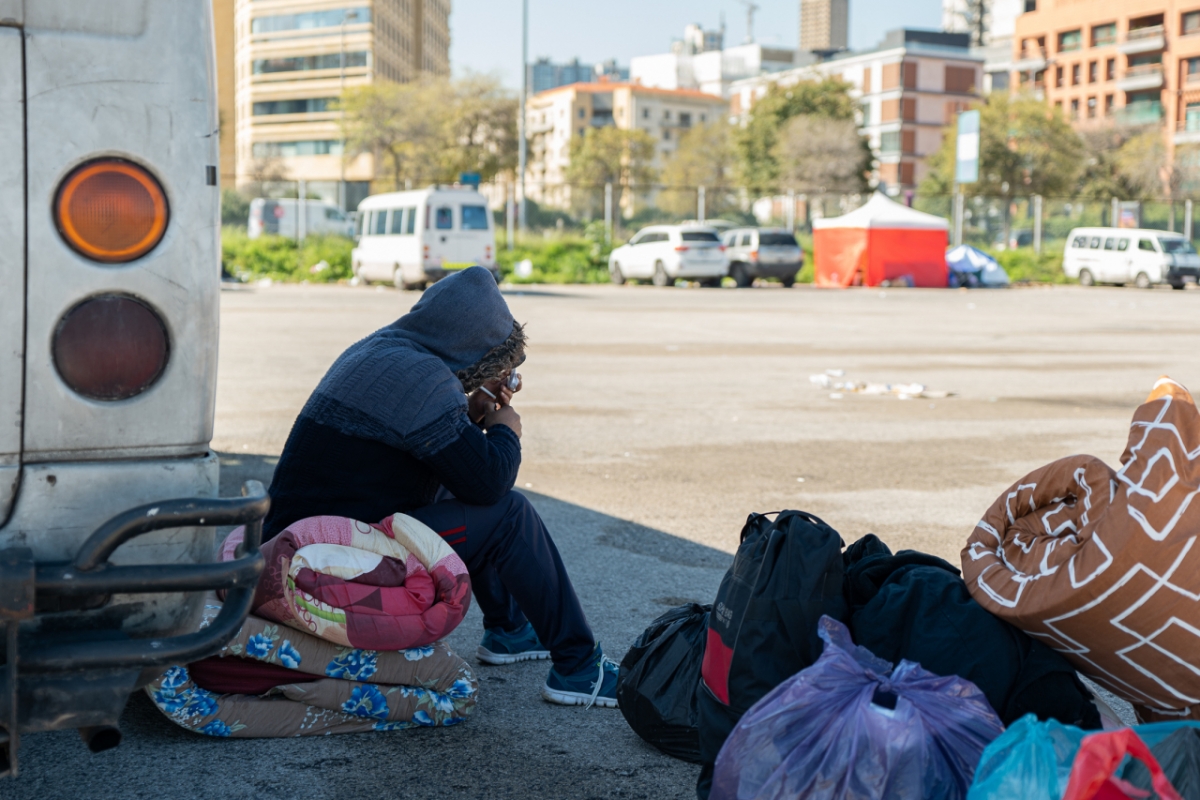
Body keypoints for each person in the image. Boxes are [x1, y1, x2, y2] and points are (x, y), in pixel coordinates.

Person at [262, 266, 618, 708]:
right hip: (321, 563)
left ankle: (509, 631)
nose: (505, 380)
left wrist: (467, 415)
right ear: (478, 356)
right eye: (502, 371)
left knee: (462, 490)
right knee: (509, 515)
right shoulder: (428, 381)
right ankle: (580, 667)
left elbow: (411, 451)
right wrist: (505, 428)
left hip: (296, 540)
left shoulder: (383, 351)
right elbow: (489, 483)